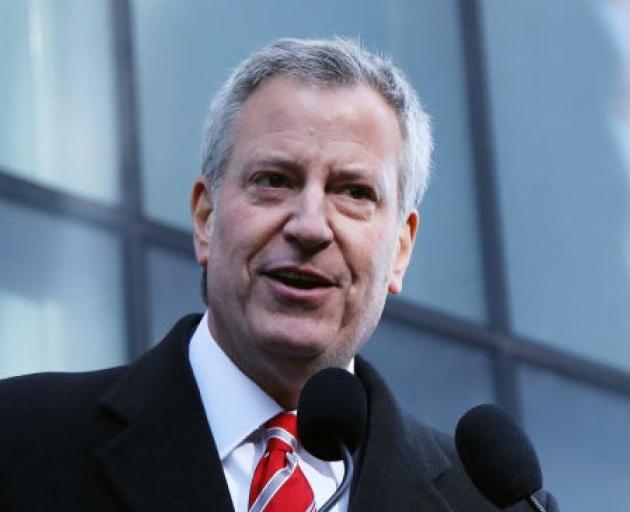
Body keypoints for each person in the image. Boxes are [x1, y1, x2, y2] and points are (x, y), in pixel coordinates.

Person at [0, 38, 557, 511]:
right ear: (205, 217)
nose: (311, 225)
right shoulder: (21, 438)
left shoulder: (488, 502)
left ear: (401, 250)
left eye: (354, 192)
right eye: (275, 180)